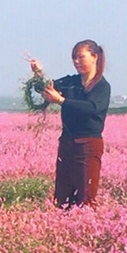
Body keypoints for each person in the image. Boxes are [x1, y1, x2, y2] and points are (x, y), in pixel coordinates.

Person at [30, 39, 111, 208]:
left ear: (94, 57)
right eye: (74, 58)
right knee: (62, 196)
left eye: (81, 57)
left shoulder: (102, 86)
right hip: (67, 143)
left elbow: (91, 108)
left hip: (88, 145)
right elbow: (46, 87)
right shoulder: (71, 82)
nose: (76, 61)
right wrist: (39, 74)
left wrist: (61, 100)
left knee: (85, 195)